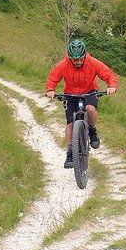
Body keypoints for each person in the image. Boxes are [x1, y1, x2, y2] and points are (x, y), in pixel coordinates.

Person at [45, 38, 118, 169]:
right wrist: (50, 89)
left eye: (80, 59)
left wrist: (111, 85)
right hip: (70, 94)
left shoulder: (92, 62)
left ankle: (92, 130)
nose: (78, 62)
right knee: (70, 124)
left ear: (85, 56)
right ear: (70, 58)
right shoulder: (64, 64)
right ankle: (70, 153)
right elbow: (52, 77)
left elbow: (109, 75)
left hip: (89, 92)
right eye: (74, 59)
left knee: (90, 109)